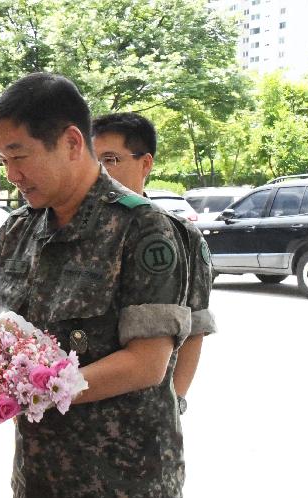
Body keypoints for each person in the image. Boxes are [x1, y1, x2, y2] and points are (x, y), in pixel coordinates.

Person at [0, 73, 191, 498]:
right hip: (39, 494)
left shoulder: (143, 230)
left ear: (69, 142)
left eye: (19, 156)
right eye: (3, 159)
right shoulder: (20, 229)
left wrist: (32, 392)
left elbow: (147, 364)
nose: (12, 173)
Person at [92, 111, 217, 414]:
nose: (99, 172)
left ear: (145, 163)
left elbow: (195, 327)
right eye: (92, 161)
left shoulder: (178, 234)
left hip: (142, 419)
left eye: (110, 160)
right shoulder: (78, 230)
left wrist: (175, 402)